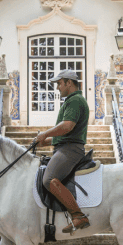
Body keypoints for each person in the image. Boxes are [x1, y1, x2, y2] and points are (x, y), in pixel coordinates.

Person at [33, 69, 90, 233]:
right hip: (67, 146)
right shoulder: (74, 100)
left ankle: (78, 215)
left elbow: (67, 126)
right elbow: (67, 134)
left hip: (70, 150)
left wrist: (45, 133)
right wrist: (46, 142)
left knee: (48, 179)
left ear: (69, 83)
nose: (57, 87)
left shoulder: (75, 101)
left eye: (59, 83)